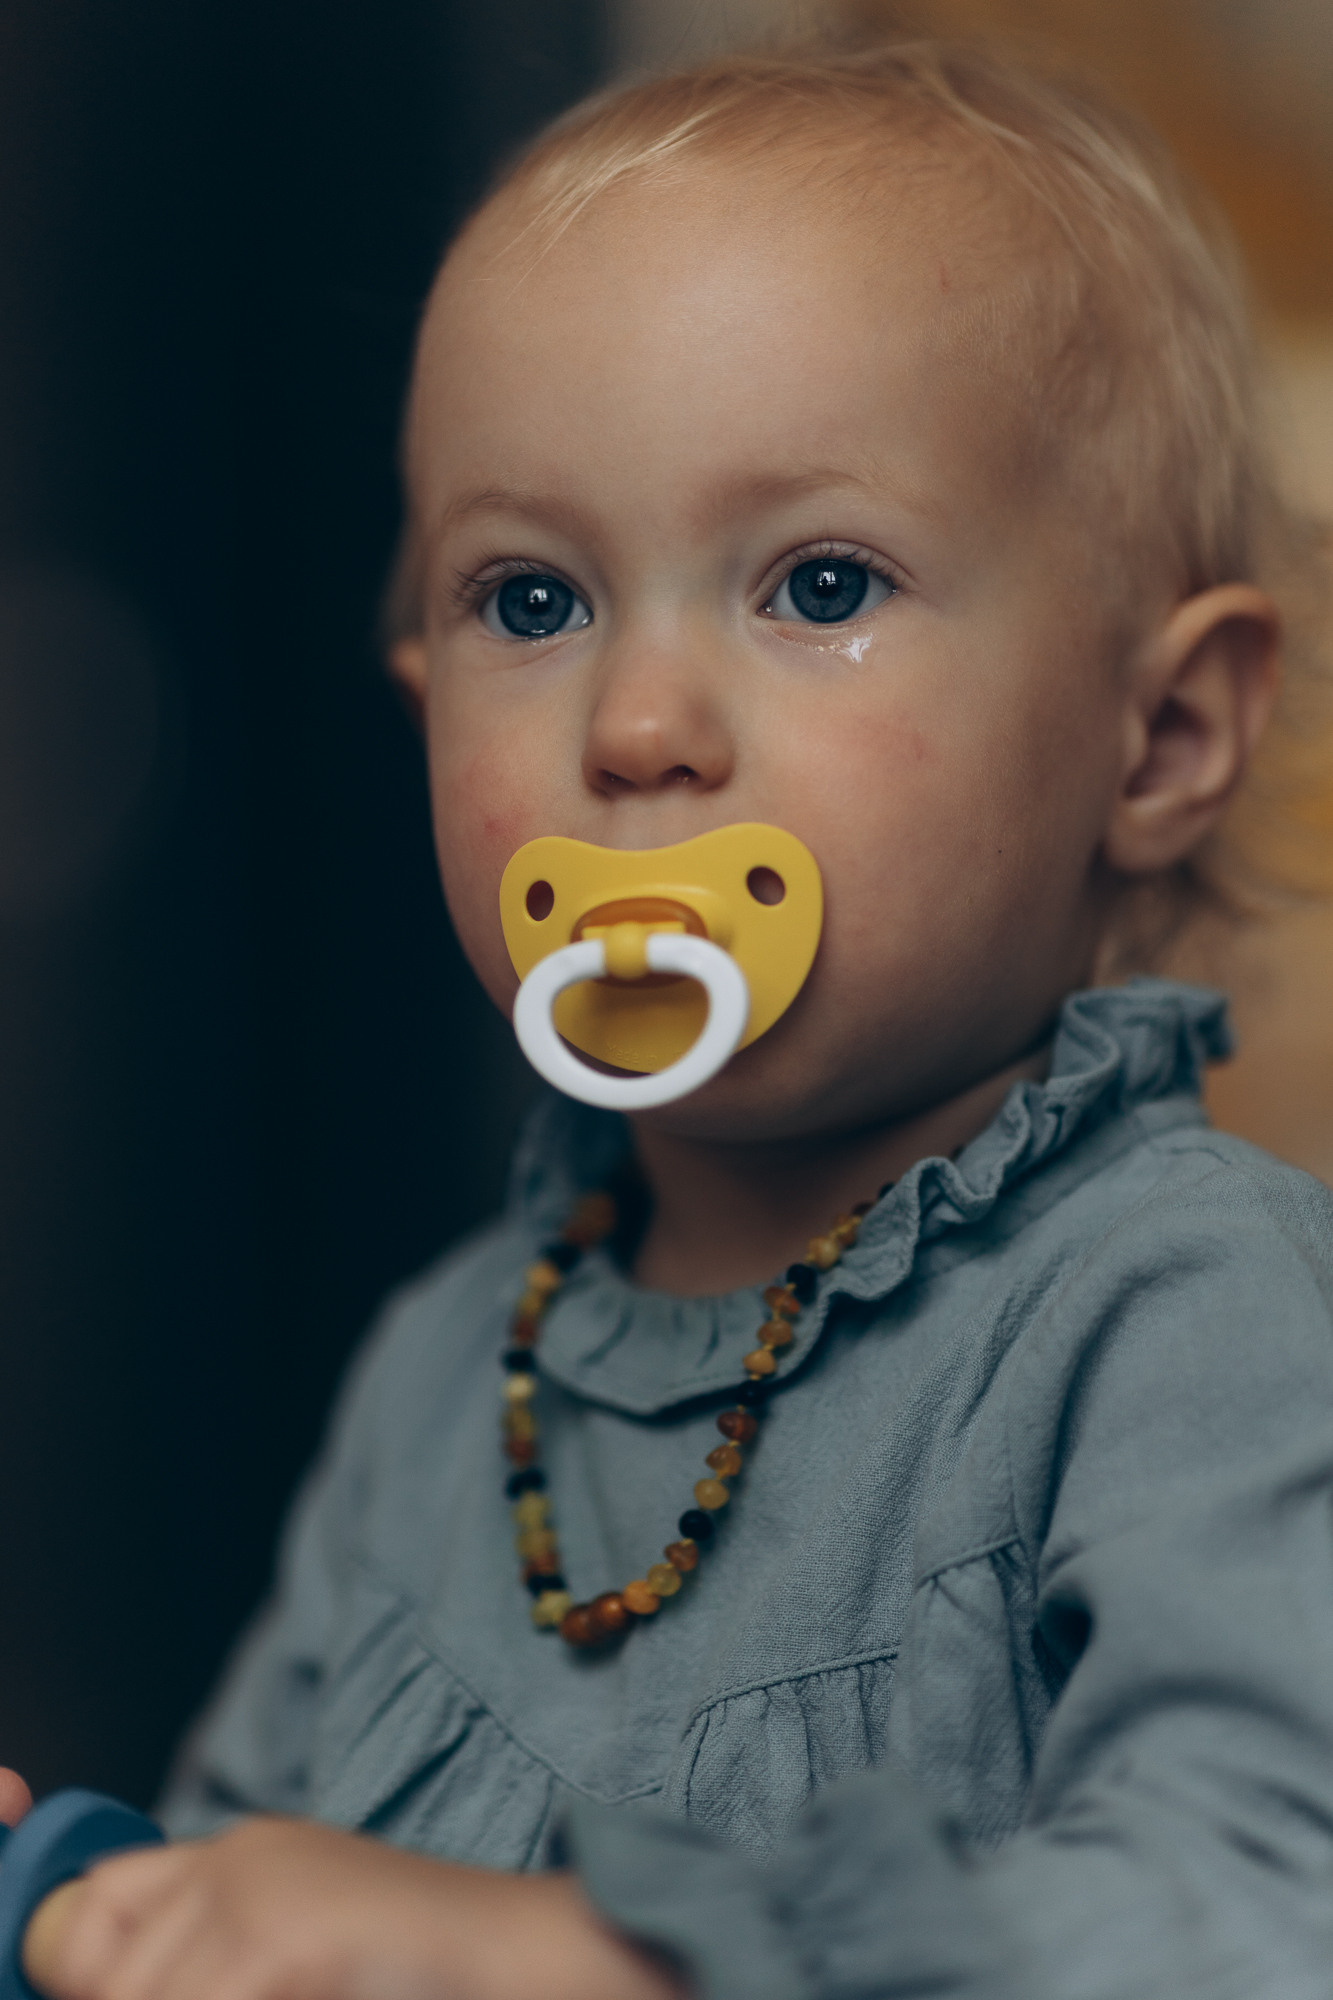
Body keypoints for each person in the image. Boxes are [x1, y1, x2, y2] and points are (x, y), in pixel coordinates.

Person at [13, 32, 1333, 2000]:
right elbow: (269, 1892)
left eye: (815, 580)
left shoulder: (1178, 1317)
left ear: (1155, 734)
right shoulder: (448, 1371)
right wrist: (109, 1903)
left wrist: (589, 1961)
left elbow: (1258, 1915)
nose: (634, 729)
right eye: (531, 601)